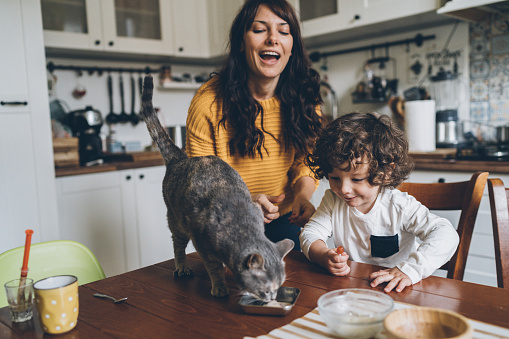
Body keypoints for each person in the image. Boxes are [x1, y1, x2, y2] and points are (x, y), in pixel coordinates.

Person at [186, 0, 323, 250]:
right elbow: (201, 183)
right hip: (227, 220)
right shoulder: (208, 103)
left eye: (283, 31)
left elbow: (305, 159)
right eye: (260, 30)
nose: (273, 38)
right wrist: (244, 202)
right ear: (241, 43)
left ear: (291, 48)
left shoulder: (304, 97)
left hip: (285, 219)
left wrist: (303, 195)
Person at [300, 112, 459, 292]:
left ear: (385, 173)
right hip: (353, 288)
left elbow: (446, 234)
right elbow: (310, 234)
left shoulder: (399, 206)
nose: (343, 189)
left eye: (357, 179)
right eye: (335, 178)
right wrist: (323, 256)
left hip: (398, 290)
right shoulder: (332, 200)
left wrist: (410, 270)